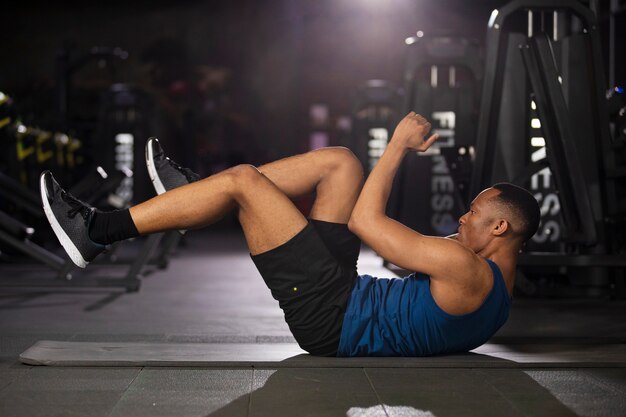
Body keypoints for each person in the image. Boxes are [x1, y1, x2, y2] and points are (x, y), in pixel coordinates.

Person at [40, 112, 540, 357]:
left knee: (242, 182)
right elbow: (407, 273)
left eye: (472, 213)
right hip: (347, 295)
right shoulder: (495, 292)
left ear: (499, 226)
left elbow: (366, 225)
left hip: (333, 317)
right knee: (341, 163)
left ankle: (96, 231)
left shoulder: (465, 268)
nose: (461, 218)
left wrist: (397, 147)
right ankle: (196, 194)